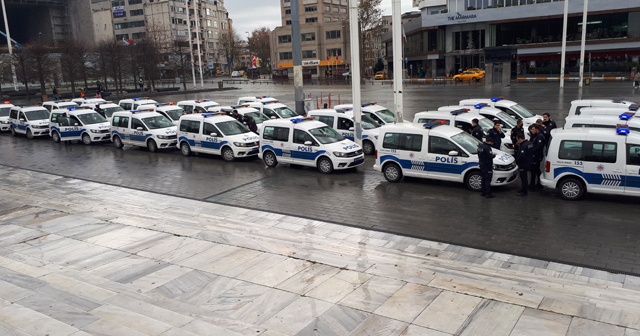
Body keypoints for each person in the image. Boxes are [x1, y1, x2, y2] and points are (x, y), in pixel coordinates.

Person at [529, 125, 546, 189]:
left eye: (533, 129)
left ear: (537, 129)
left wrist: (531, 150)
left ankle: (537, 183)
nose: (532, 131)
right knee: (534, 170)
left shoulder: (539, 136)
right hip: (535, 155)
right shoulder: (536, 136)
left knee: (535, 170)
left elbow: (538, 147)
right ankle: (533, 183)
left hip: (537, 156)